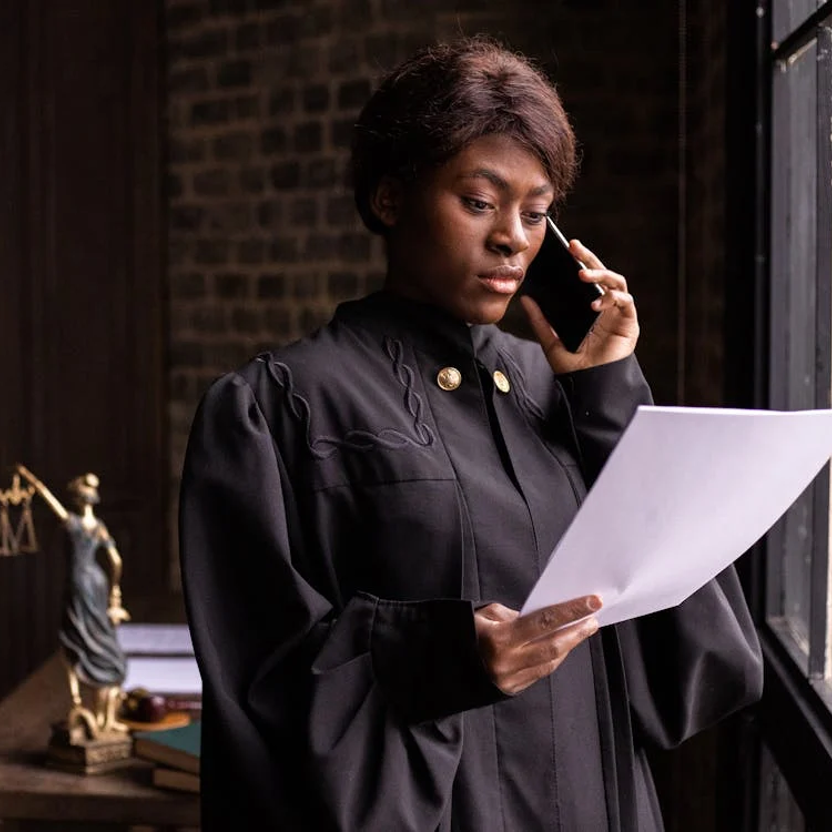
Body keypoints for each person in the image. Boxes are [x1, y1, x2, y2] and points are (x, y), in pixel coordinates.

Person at [179, 36, 762, 831]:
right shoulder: (275, 408)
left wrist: (611, 393)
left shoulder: (566, 395)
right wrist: (440, 656)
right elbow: (258, 681)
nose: (512, 239)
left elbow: (702, 658)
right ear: (390, 200)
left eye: (536, 212)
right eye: (479, 201)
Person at [16, 465, 131, 733]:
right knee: (100, 632)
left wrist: (34, 483)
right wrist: (115, 590)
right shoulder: (99, 526)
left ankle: (80, 698)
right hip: (99, 581)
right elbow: (116, 561)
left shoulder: (72, 523)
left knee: (75, 634)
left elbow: (51, 502)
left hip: (79, 583)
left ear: (78, 499)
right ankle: (99, 705)